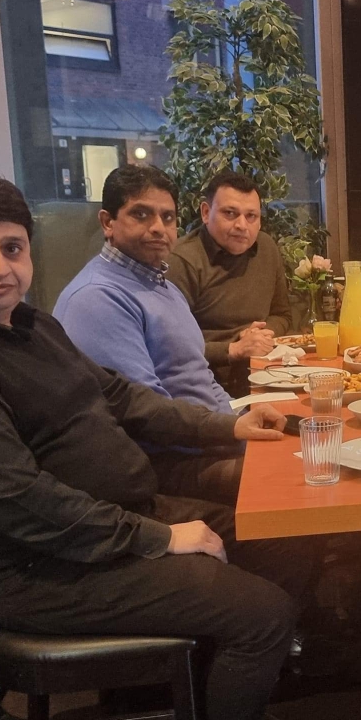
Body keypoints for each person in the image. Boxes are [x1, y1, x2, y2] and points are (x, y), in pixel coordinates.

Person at [0, 170, 311, 720]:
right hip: (46, 568)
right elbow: (24, 501)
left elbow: (121, 395)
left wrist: (227, 427)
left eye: (12, 248)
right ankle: (228, 686)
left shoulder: (27, 324)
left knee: (281, 534)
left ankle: (212, 684)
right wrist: (158, 538)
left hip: (117, 521)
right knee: (262, 613)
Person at [53, 165, 242, 505]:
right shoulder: (97, 297)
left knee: (308, 444)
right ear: (107, 222)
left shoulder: (162, 286)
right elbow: (147, 418)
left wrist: (239, 423)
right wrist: (233, 435)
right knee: (292, 479)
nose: (158, 227)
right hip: (164, 465)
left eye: (167, 217)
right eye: (141, 214)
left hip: (206, 440)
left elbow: (200, 376)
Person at [167, 171, 292, 396]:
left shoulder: (266, 248)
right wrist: (234, 348)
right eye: (230, 213)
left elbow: (282, 315)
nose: (242, 225)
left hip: (264, 376)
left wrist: (260, 335)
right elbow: (169, 346)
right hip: (203, 387)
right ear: (206, 213)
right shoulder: (183, 260)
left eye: (251, 216)